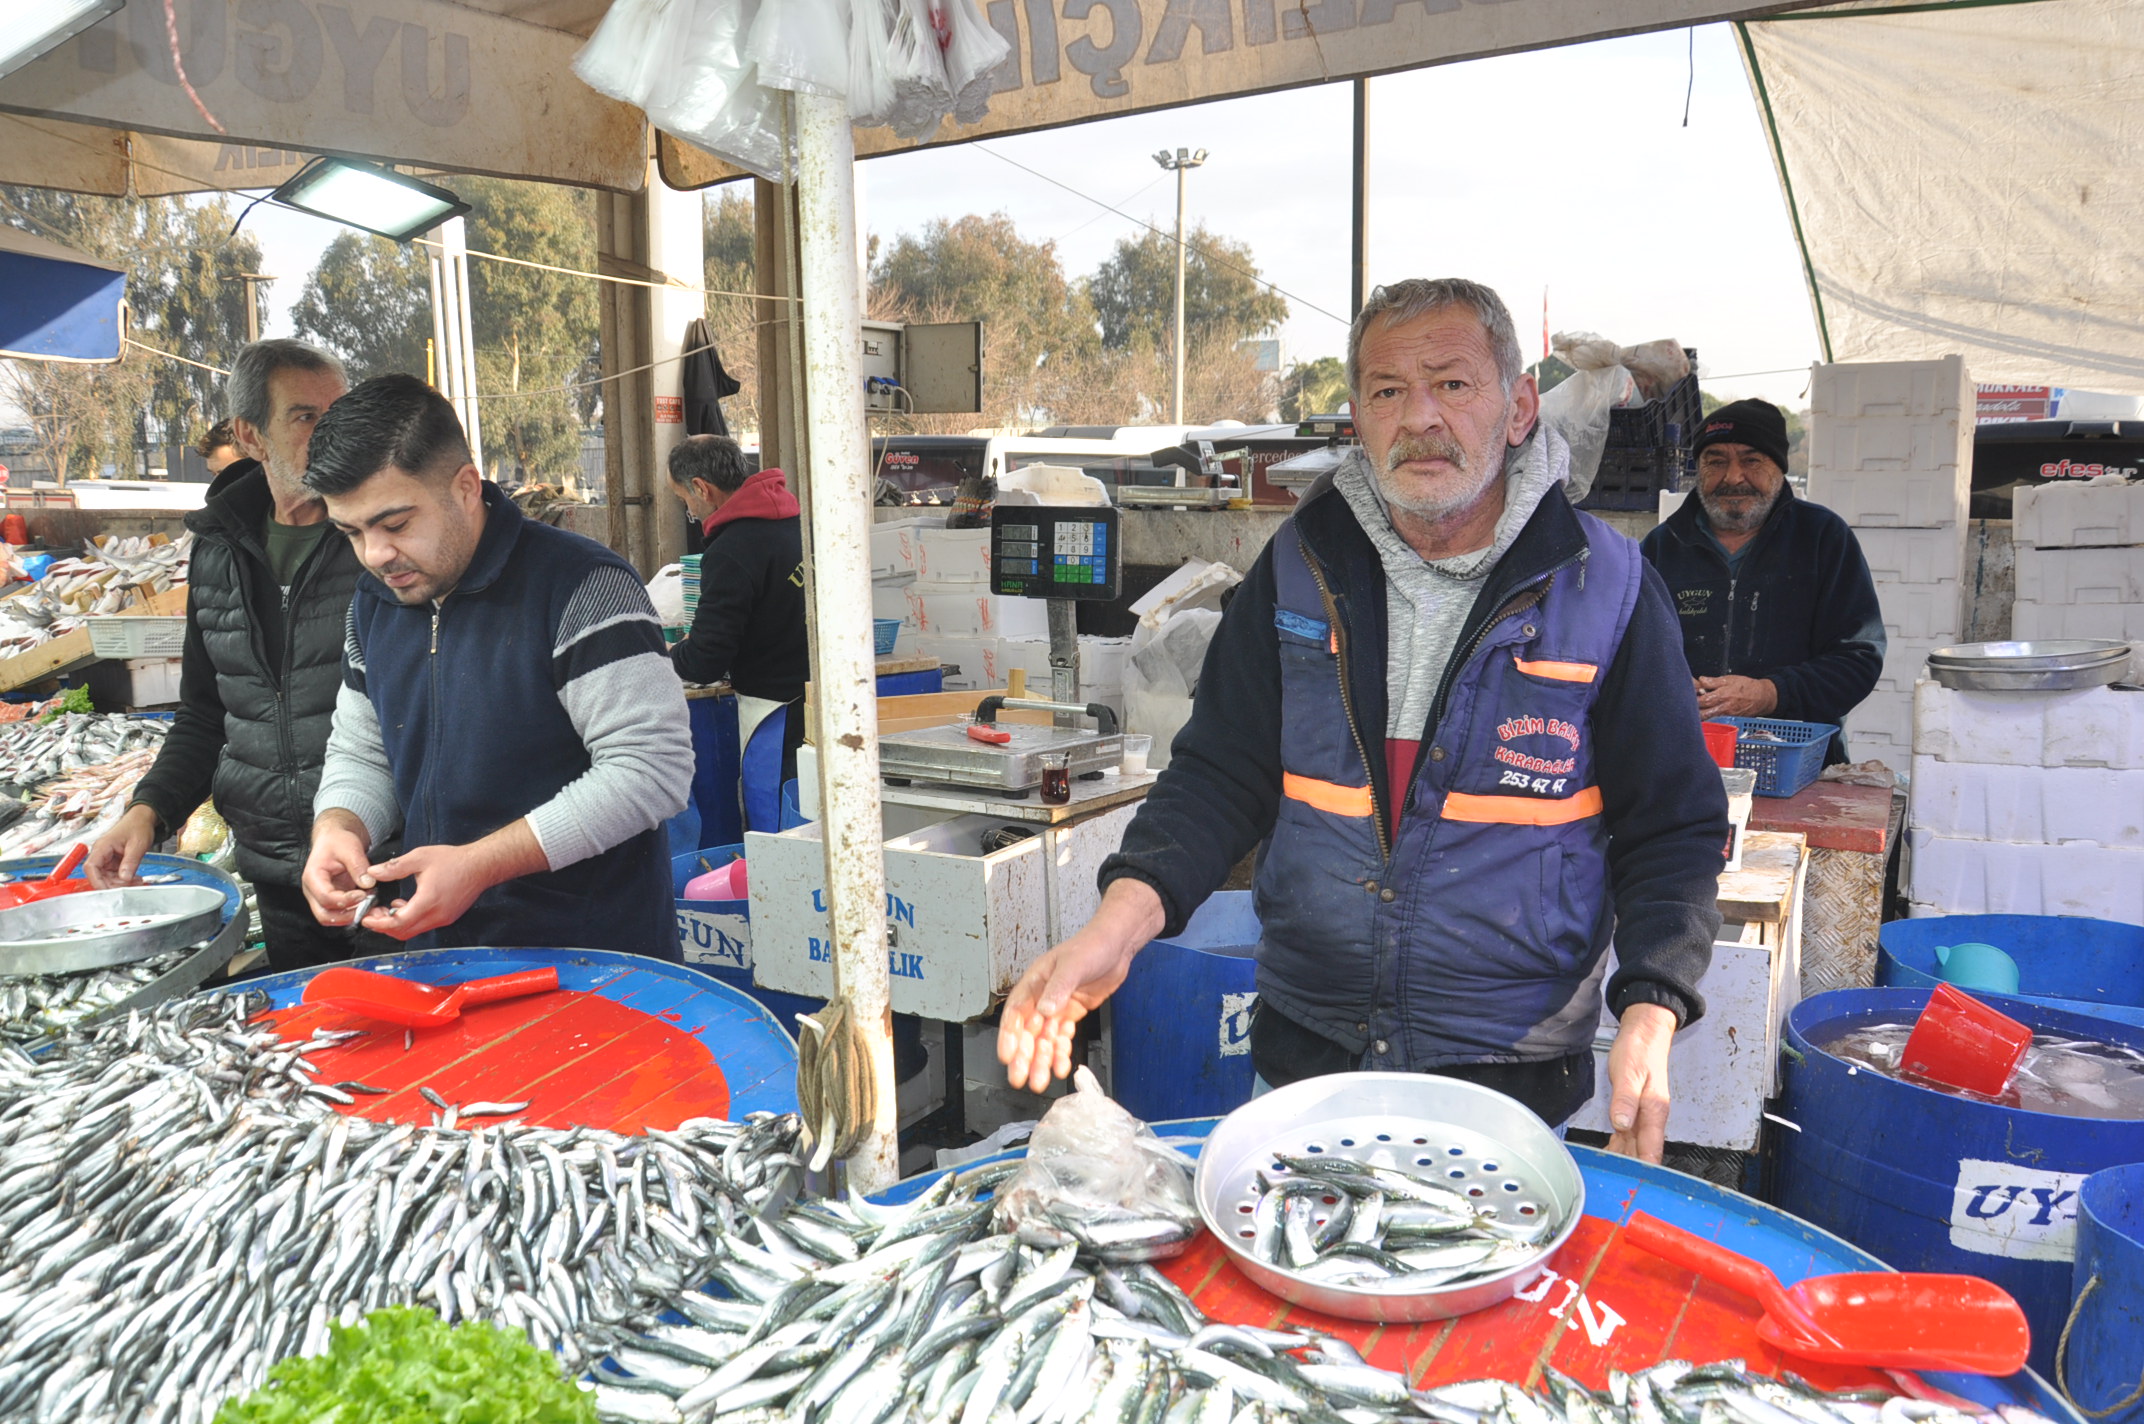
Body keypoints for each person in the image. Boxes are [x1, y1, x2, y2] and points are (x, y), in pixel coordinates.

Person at [997, 278, 1731, 1162]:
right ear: (1358, 414)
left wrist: (1651, 1008)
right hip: (1304, 1060)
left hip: (1506, 1078)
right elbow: (1218, 776)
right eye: (1388, 390)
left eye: (1452, 384)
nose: (1419, 416)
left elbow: (1674, 827)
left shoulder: (1606, 588)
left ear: (1519, 407)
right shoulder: (1301, 566)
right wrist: (1115, 929)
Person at [296, 374, 693, 957]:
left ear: (463, 488)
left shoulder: (581, 585)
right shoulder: (375, 601)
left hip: (592, 960)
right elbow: (364, 748)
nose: (375, 554)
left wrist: (480, 866)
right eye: (351, 531)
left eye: (396, 524)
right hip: (440, 953)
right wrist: (338, 827)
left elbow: (650, 768)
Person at [89, 340, 378, 970]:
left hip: (388, 865)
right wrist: (148, 811)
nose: (332, 435)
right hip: (280, 874)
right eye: (306, 418)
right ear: (250, 435)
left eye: (341, 414)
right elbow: (205, 711)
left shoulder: (375, 535)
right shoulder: (217, 548)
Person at [1639, 398, 1883, 760]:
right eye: (1716, 461)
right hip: (1683, 759)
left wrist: (1771, 693)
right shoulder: (1661, 546)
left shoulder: (1822, 538)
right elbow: (1626, 652)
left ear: (1779, 468)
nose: (1733, 477)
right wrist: (1666, 683)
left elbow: (1858, 657)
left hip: (1798, 762)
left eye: (1751, 461)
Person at [666, 435, 808, 785]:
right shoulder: (800, 524)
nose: (691, 512)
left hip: (774, 712)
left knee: (777, 822)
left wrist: (668, 654)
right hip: (824, 701)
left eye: (684, 500)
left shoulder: (731, 551)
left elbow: (705, 659)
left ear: (701, 488)